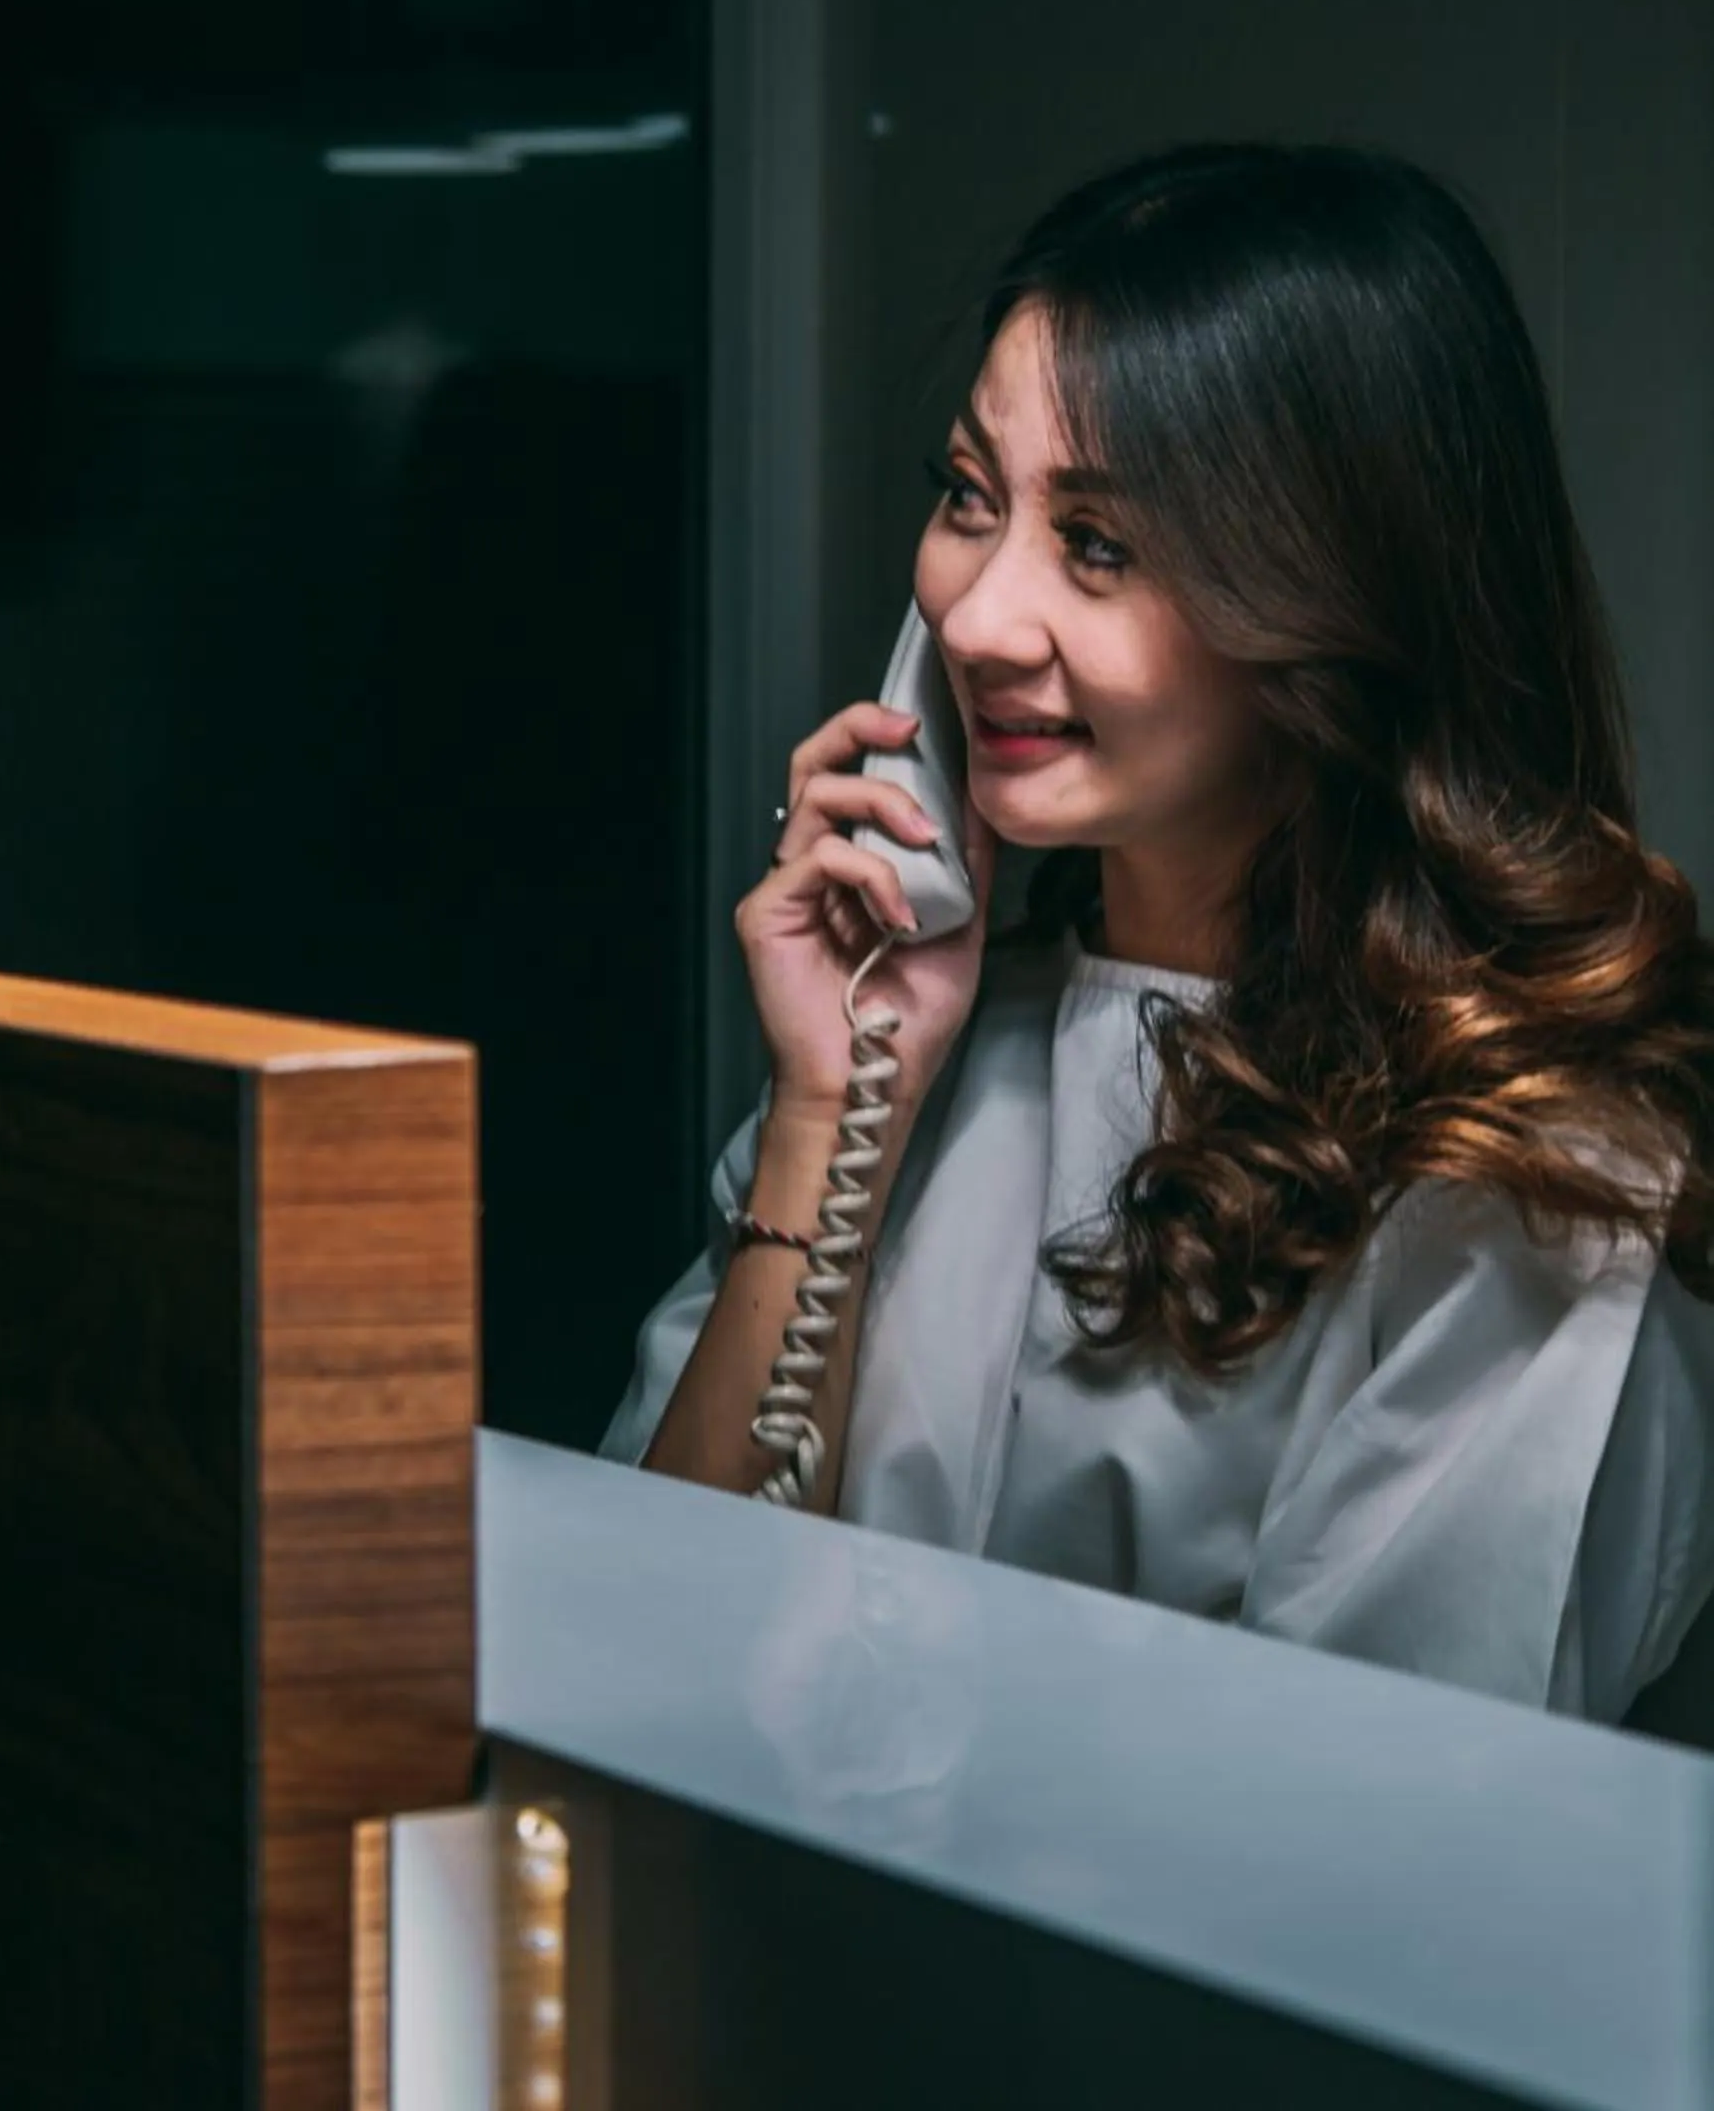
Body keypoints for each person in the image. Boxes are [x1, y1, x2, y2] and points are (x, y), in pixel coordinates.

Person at [604, 143, 1714, 1720]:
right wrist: (831, 1110)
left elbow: (1369, 1817)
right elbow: (645, 1655)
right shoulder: (913, 1053)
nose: (975, 618)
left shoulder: (1527, 1190)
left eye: (1102, 545)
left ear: (1327, 606)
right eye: (971, 498)